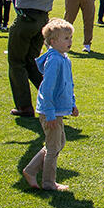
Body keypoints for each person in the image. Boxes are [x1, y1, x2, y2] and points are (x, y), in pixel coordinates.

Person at [22, 18, 79, 192]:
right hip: (50, 111)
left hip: (58, 110)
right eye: (65, 38)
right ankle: (48, 182)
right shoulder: (54, 60)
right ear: (53, 42)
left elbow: (68, 84)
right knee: (53, 147)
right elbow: (47, 89)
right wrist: (50, 114)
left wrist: (72, 104)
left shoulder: (64, 58)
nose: (69, 41)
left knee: (58, 143)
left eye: (70, 37)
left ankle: (31, 170)